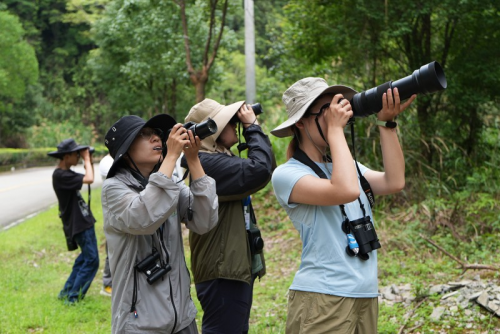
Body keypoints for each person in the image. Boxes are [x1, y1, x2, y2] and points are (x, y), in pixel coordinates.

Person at [270, 77, 416, 333]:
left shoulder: (348, 169)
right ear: (302, 122)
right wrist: (336, 131)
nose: (339, 115)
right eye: (327, 112)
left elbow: (394, 181)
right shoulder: (287, 174)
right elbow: (345, 190)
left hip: (365, 294)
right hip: (322, 298)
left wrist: (387, 123)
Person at [101, 114, 218, 334]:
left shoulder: (170, 183)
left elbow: (204, 221)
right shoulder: (113, 189)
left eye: (157, 133)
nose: (156, 137)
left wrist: (193, 160)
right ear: (125, 152)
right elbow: (144, 218)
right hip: (140, 324)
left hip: (182, 319)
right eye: (144, 135)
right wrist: (171, 156)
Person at [181, 99, 275, 334]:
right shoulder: (205, 162)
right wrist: (252, 127)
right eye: (229, 121)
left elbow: (260, 168)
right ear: (212, 131)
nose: (235, 124)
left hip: (230, 266)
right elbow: (260, 170)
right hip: (221, 269)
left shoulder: (217, 158)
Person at [48, 138, 99, 305]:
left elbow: (86, 176)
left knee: (85, 258)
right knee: (91, 260)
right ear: (67, 156)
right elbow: (90, 179)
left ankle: (67, 291)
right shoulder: (60, 175)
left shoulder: (66, 173)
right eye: (76, 154)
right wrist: (86, 159)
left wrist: (87, 160)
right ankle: (73, 298)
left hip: (82, 221)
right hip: (79, 224)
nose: (78, 157)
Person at [98, 153, 114, 297]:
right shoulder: (107, 162)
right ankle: (107, 284)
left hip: (115, 211)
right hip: (113, 212)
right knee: (112, 250)